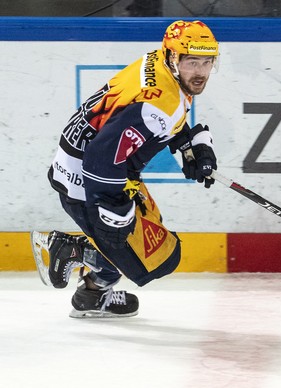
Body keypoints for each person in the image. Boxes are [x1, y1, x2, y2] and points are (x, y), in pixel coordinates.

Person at [32, 20, 219, 318]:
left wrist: (188, 142)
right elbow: (103, 155)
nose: (200, 72)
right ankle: (73, 250)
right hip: (89, 180)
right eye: (192, 61)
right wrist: (113, 208)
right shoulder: (162, 102)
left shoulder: (157, 63)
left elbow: (134, 121)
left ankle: (91, 297)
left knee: (143, 233)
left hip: (91, 167)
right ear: (173, 58)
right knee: (158, 258)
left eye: (207, 62)